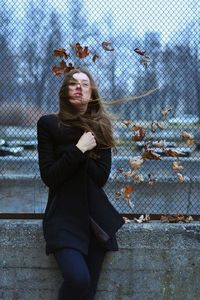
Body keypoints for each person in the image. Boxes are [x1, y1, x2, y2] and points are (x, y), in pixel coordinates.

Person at [37, 67, 125, 300]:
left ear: (92, 92)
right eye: (73, 83)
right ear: (65, 91)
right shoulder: (48, 125)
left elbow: (100, 178)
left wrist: (85, 148)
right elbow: (50, 176)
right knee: (78, 279)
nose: (79, 88)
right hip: (62, 218)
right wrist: (79, 149)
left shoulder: (101, 128)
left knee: (87, 292)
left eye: (85, 84)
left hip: (93, 220)